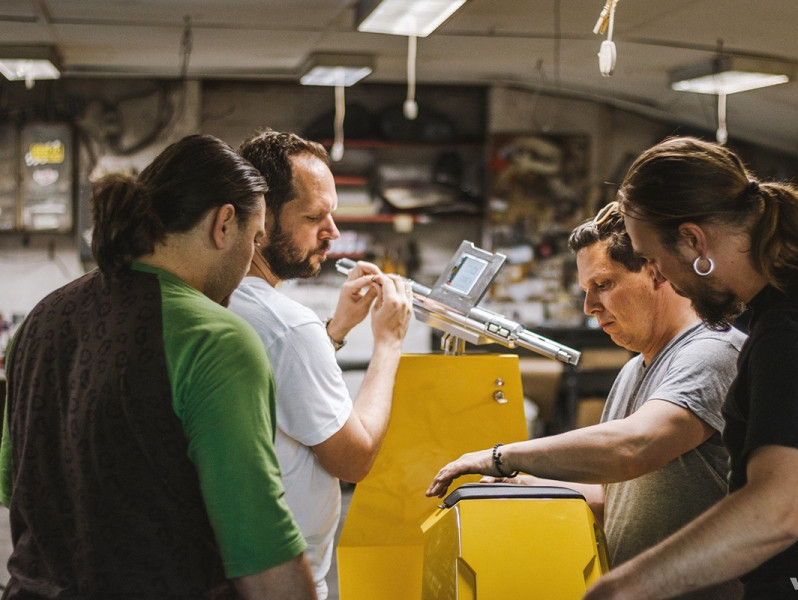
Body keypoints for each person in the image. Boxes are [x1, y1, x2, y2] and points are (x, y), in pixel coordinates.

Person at [0, 134, 316, 599]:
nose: (251, 256)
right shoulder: (216, 341)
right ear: (224, 223)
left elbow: (17, 489)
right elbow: (263, 559)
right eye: (255, 239)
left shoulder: (39, 322)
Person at [584, 136, 798, 600]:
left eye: (653, 258)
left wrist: (621, 588)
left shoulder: (791, 331)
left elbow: (775, 513)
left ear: (693, 240)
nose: (660, 276)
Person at [426, 203, 745, 599]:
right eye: (586, 290)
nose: (589, 307)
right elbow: (615, 499)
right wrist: (523, 482)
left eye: (603, 285)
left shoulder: (712, 352)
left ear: (656, 271)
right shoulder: (634, 370)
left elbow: (636, 446)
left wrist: (502, 456)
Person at [230, 130, 412, 599]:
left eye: (332, 214)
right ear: (261, 218)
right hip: (283, 580)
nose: (332, 232)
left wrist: (335, 331)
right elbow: (354, 459)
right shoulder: (287, 326)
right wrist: (389, 343)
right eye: (314, 217)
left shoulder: (223, 300)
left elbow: (280, 386)